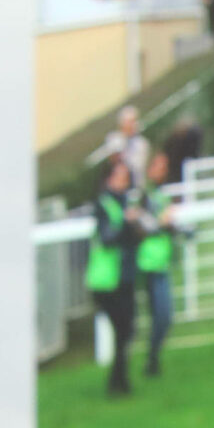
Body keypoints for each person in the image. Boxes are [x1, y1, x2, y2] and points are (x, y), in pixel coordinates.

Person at [84, 155, 141, 396]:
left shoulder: (124, 205)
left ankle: (119, 380)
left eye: (125, 178)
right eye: (118, 178)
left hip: (124, 276)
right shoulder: (104, 206)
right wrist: (127, 225)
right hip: (108, 281)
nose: (122, 182)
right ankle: (117, 381)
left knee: (126, 329)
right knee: (122, 328)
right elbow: (108, 239)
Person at [135, 150, 179, 377]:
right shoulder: (145, 195)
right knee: (161, 316)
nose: (163, 171)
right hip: (150, 264)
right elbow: (143, 226)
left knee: (164, 317)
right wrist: (163, 222)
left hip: (162, 262)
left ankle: (153, 360)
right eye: (159, 166)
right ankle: (151, 360)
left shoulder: (161, 194)